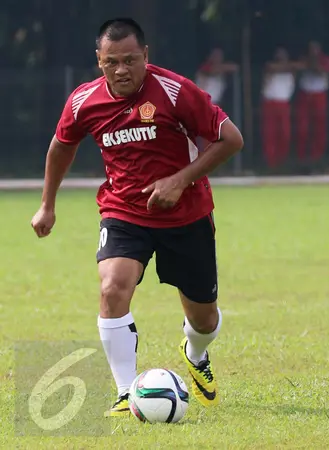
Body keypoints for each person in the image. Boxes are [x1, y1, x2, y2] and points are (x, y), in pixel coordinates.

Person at [30, 18, 244, 417]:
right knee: (112, 288)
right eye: (112, 62)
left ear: (145, 56)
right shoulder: (83, 101)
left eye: (130, 59)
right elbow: (61, 147)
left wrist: (180, 181)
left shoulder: (175, 91)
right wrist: (47, 204)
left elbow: (231, 139)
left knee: (204, 317)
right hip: (123, 212)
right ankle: (127, 393)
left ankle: (194, 352)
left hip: (187, 214)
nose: (122, 69)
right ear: (99, 61)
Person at [261, 47, 301, 168]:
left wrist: (289, 66)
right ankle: (270, 162)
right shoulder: (271, 68)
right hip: (270, 103)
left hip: (284, 103)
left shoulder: (291, 70)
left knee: (285, 133)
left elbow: (299, 66)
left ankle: (282, 161)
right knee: (270, 133)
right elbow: (271, 68)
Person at [296, 41, 329, 164]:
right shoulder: (303, 59)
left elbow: (323, 71)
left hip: (319, 94)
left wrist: (313, 63)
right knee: (302, 126)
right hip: (305, 94)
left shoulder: (326, 60)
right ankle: (301, 156)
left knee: (319, 126)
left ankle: (317, 156)